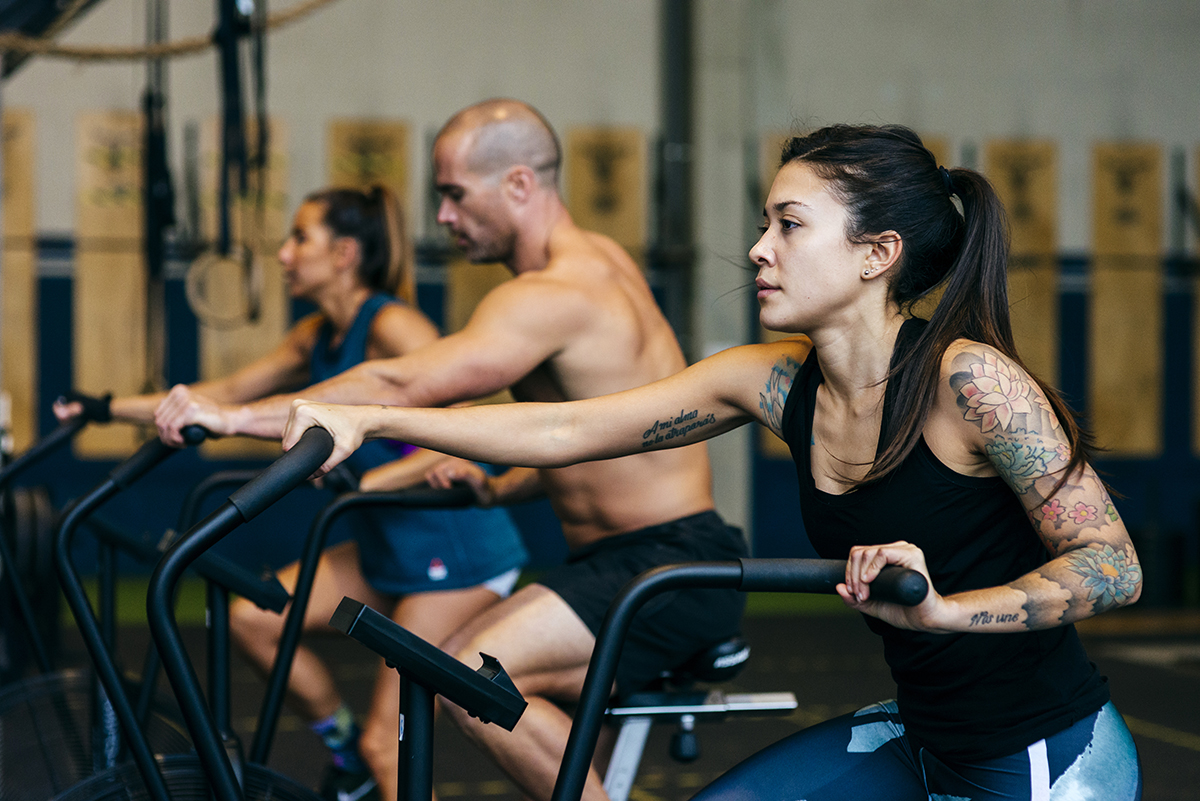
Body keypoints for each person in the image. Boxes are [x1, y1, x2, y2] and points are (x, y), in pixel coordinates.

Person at [283, 124, 1144, 801]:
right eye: (764, 223)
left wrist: (954, 613)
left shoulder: (971, 381)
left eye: (790, 225)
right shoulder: (766, 382)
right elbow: (564, 431)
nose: (760, 248)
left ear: (877, 254)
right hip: (925, 737)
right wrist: (376, 417)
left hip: (1043, 750)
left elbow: (1113, 563)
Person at [151, 99, 747, 801]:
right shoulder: (600, 263)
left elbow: (400, 381)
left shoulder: (553, 293)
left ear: (519, 185)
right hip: (626, 563)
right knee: (461, 675)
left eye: (455, 195)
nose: (441, 216)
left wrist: (229, 416)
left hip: (663, 567)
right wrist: (496, 486)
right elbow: (599, 446)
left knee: (465, 670)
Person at [58, 184, 529, 801]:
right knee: (255, 619)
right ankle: (345, 754)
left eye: (299, 238)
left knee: (391, 751)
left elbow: (471, 420)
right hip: (387, 547)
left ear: (344, 254)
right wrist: (105, 407)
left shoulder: (393, 324)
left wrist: (380, 477)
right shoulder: (317, 337)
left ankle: (366, 760)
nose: (283, 254)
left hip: (457, 558)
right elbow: (226, 393)